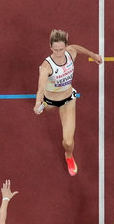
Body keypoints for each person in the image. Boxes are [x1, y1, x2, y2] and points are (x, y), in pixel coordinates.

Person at [33, 29, 102, 176]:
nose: (59, 53)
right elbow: (40, 86)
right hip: (49, 100)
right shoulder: (46, 66)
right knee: (48, 108)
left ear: (66, 47)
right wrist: (38, 101)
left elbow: (77, 48)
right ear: (50, 47)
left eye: (62, 49)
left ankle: (69, 156)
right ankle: (46, 105)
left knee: (68, 142)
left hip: (68, 100)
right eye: (56, 50)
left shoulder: (70, 53)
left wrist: (93, 55)